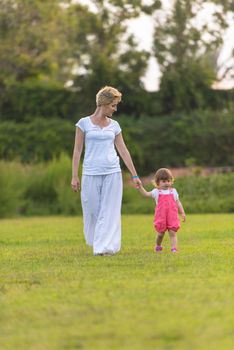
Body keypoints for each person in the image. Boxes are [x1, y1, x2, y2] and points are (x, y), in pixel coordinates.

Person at [71, 86, 141, 256]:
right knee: (92, 210)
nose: (115, 109)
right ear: (104, 103)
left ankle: (105, 248)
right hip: (90, 173)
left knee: (110, 210)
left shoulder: (115, 126)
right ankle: (98, 242)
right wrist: (74, 176)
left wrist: (134, 174)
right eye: (113, 105)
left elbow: (123, 150)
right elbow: (77, 150)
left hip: (112, 172)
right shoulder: (83, 123)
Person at [137, 168, 186, 252]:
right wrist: (140, 187)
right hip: (161, 217)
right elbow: (146, 194)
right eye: (163, 181)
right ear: (158, 182)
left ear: (171, 181)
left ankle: (174, 248)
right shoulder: (156, 192)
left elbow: (178, 203)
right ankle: (158, 245)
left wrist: (182, 213)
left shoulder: (173, 191)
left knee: (173, 232)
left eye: (168, 181)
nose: (166, 183)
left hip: (172, 216)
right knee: (160, 234)